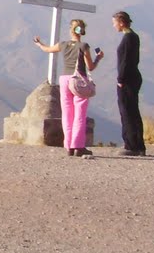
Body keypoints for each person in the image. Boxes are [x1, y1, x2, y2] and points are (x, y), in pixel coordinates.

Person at [33, 19, 103, 157]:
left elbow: (47, 49)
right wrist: (98, 58)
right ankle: (78, 146)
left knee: (67, 114)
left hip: (64, 80)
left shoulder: (63, 45)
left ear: (71, 29)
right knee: (79, 115)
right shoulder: (84, 46)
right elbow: (90, 67)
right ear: (82, 31)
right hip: (78, 81)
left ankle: (68, 146)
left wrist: (39, 44)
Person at [112, 10, 145, 156]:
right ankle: (138, 145)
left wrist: (120, 79)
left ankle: (131, 145)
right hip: (134, 77)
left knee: (126, 112)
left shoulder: (127, 38)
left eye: (114, 23)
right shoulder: (134, 36)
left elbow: (125, 61)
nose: (114, 26)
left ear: (121, 22)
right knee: (133, 111)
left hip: (127, 79)